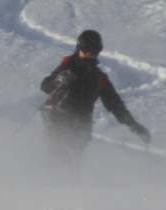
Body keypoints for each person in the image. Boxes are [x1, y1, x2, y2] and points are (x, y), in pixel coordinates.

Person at [39, 29, 149, 160]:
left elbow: (114, 104)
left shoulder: (99, 77)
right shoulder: (67, 68)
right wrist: (58, 81)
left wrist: (134, 125)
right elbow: (45, 86)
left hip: (81, 124)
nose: (89, 54)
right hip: (57, 118)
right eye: (86, 49)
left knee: (72, 161)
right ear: (79, 48)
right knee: (56, 155)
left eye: (94, 50)